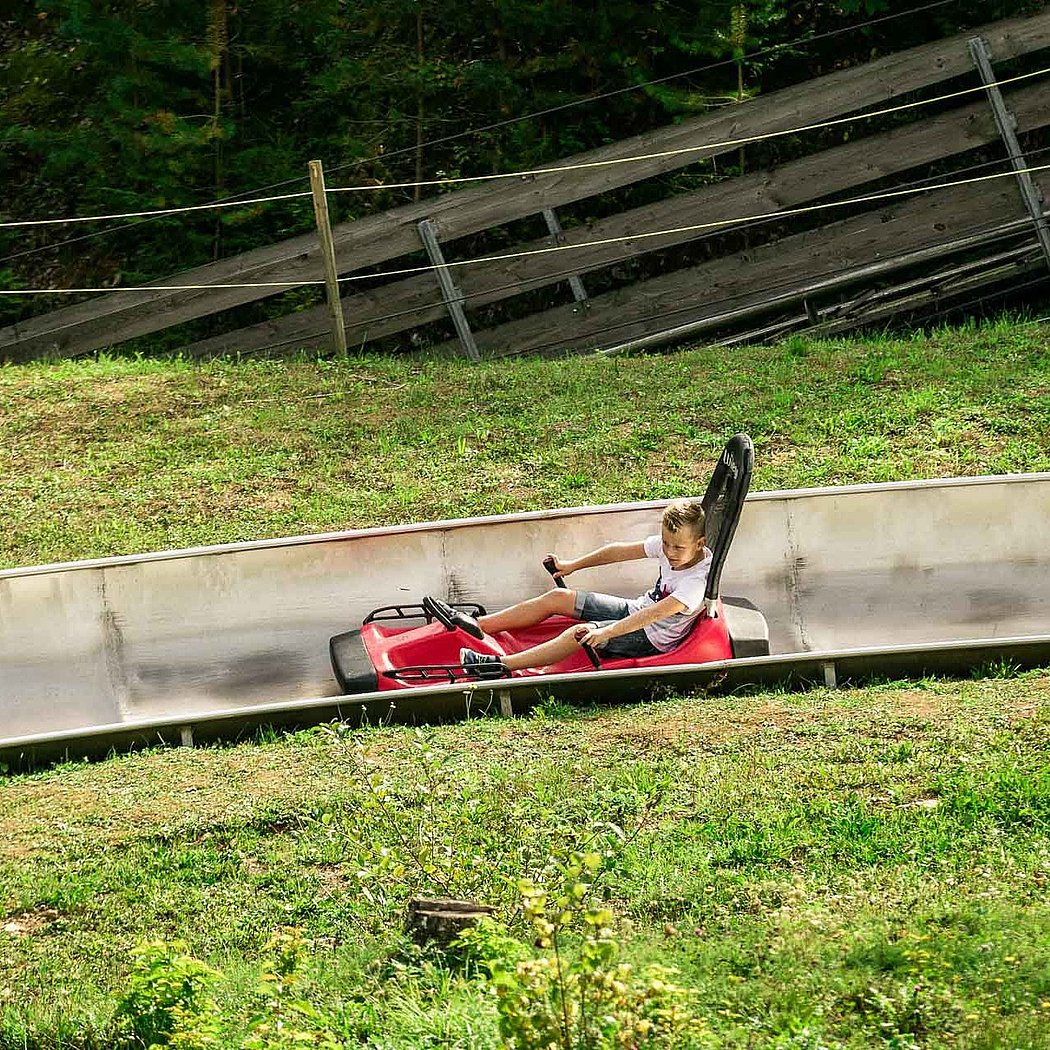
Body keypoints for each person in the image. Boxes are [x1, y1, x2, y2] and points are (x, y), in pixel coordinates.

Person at [431, 498, 712, 678]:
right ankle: (477, 625)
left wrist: (605, 631)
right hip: (638, 608)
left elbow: (650, 617)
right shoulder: (673, 545)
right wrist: (572, 565)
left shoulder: (694, 585)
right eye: (665, 543)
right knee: (559, 598)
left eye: (677, 547)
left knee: (580, 633)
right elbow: (617, 552)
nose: (669, 551)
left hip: (652, 637)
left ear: (699, 544)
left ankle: (497, 665)